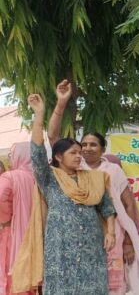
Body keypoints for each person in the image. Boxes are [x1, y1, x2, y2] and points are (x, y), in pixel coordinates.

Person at [47, 81, 139, 294]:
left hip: (113, 233)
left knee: (112, 285)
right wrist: (61, 103)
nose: (87, 148)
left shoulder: (112, 170)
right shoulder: (75, 167)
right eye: (83, 145)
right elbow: (53, 138)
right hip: (84, 235)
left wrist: (129, 243)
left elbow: (128, 205)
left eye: (93, 144)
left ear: (103, 148)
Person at [14, 92, 116, 294]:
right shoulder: (49, 179)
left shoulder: (93, 179)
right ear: (59, 156)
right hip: (59, 251)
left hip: (91, 249)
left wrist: (110, 232)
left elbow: (107, 207)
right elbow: (37, 152)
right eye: (74, 153)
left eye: (80, 153)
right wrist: (39, 115)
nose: (80, 156)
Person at [0, 142, 35, 295]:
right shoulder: (42, 177)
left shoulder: (10, 176)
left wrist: (5, 218)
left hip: (12, 231)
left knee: (10, 270)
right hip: (36, 233)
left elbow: (0, 196)